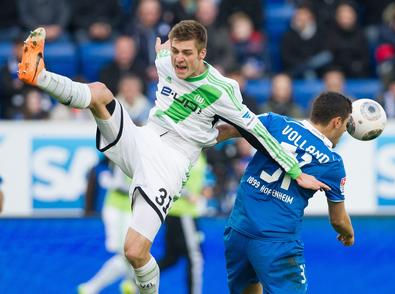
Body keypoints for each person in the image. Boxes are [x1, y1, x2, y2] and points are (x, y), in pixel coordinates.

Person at [17, 20, 327, 293]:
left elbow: (256, 130)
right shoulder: (166, 60)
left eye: (187, 53)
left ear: (202, 53)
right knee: (99, 93)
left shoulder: (222, 90)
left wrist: (295, 171)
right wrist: (162, 50)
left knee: (135, 251)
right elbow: (163, 53)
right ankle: (38, 75)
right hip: (142, 138)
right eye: (176, 51)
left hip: (170, 163)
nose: (179, 58)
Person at [218, 92, 355, 293]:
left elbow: (228, 130)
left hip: (238, 231)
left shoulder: (274, 122)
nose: (345, 130)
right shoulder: (332, 163)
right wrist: (348, 234)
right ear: (336, 122)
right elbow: (338, 220)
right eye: (345, 125)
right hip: (277, 242)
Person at [79, 165, 137, 294]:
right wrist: (143, 190)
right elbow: (117, 184)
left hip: (131, 211)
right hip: (119, 211)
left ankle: (129, 284)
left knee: (132, 253)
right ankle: (92, 287)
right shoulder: (125, 156)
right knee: (127, 253)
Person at [159, 154, 207, 294]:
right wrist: (188, 195)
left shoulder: (201, 154)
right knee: (196, 259)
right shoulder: (184, 151)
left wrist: (203, 190)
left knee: (171, 257)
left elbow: (196, 180)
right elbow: (169, 178)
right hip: (183, 213)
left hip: (181, 213)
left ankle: (134, 282)